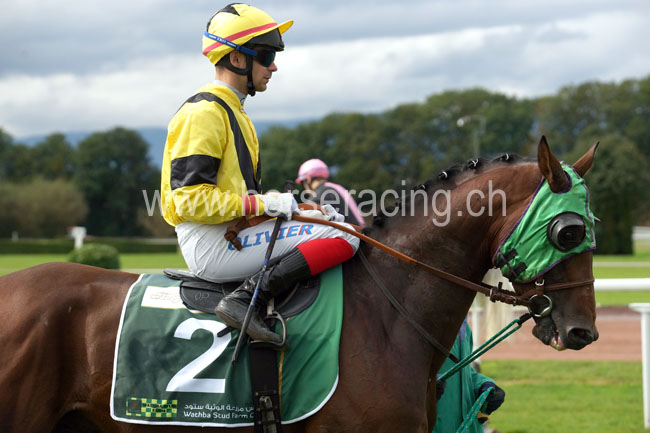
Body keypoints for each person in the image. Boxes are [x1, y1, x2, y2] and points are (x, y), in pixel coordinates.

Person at [160, 4, 360, 344]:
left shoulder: (236, 114)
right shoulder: (204, 113)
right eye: (266, 56)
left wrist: (290, 209)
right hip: (210, 244)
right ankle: (245, 299)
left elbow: (239, 200)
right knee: (344, 236)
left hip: (231, 234)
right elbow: (190, 201)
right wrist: (267, 203)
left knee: (332, 222)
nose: (274, 66)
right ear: (237, 58)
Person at [433, 319, 505, 433]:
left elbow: (464, 371)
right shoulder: (423, 322)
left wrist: (483, 384)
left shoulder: (465, 328)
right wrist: (426, 383)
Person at [296, 158, 366, 227]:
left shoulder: (320, 193)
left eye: (303, 183)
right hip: (358, 231)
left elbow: (304, 218)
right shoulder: (335, 187)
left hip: (349, 233)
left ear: (308, 179)